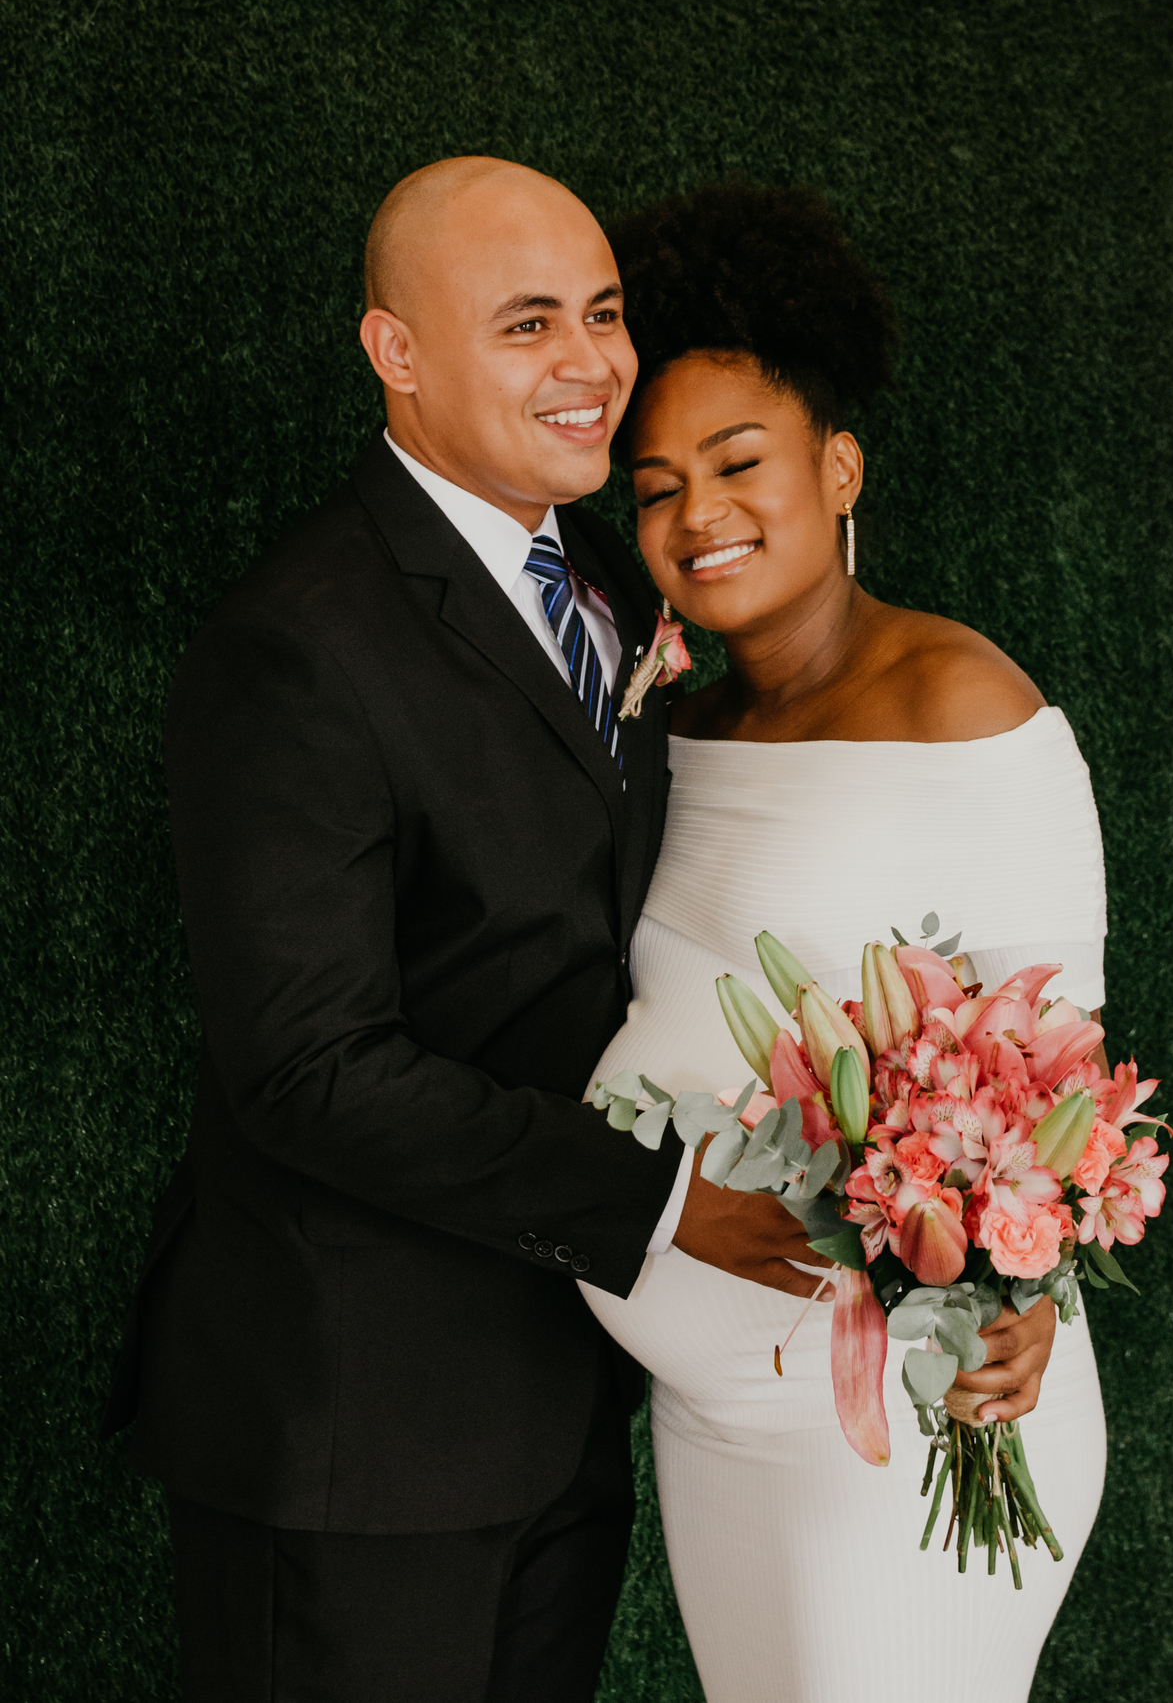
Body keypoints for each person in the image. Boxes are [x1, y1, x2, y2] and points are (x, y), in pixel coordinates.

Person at [100, 158, 833, 1703]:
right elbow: (308, 1069)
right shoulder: (295, 645)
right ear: (398, 352)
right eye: (527, 324)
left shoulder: (611, 586)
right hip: (353, 1431)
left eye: (604, 314)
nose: (589, 364)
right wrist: (663, 1202)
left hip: (558, 1402)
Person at [579, 180, 1108, 1703]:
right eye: (658, 488)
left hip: (914, 1416)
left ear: (839, 465)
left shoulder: (965, 705)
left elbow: (1058, 1073)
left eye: (739, 463)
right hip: (718, 1424)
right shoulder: (674, 732)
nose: (699, 516)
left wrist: (1030, 1306)